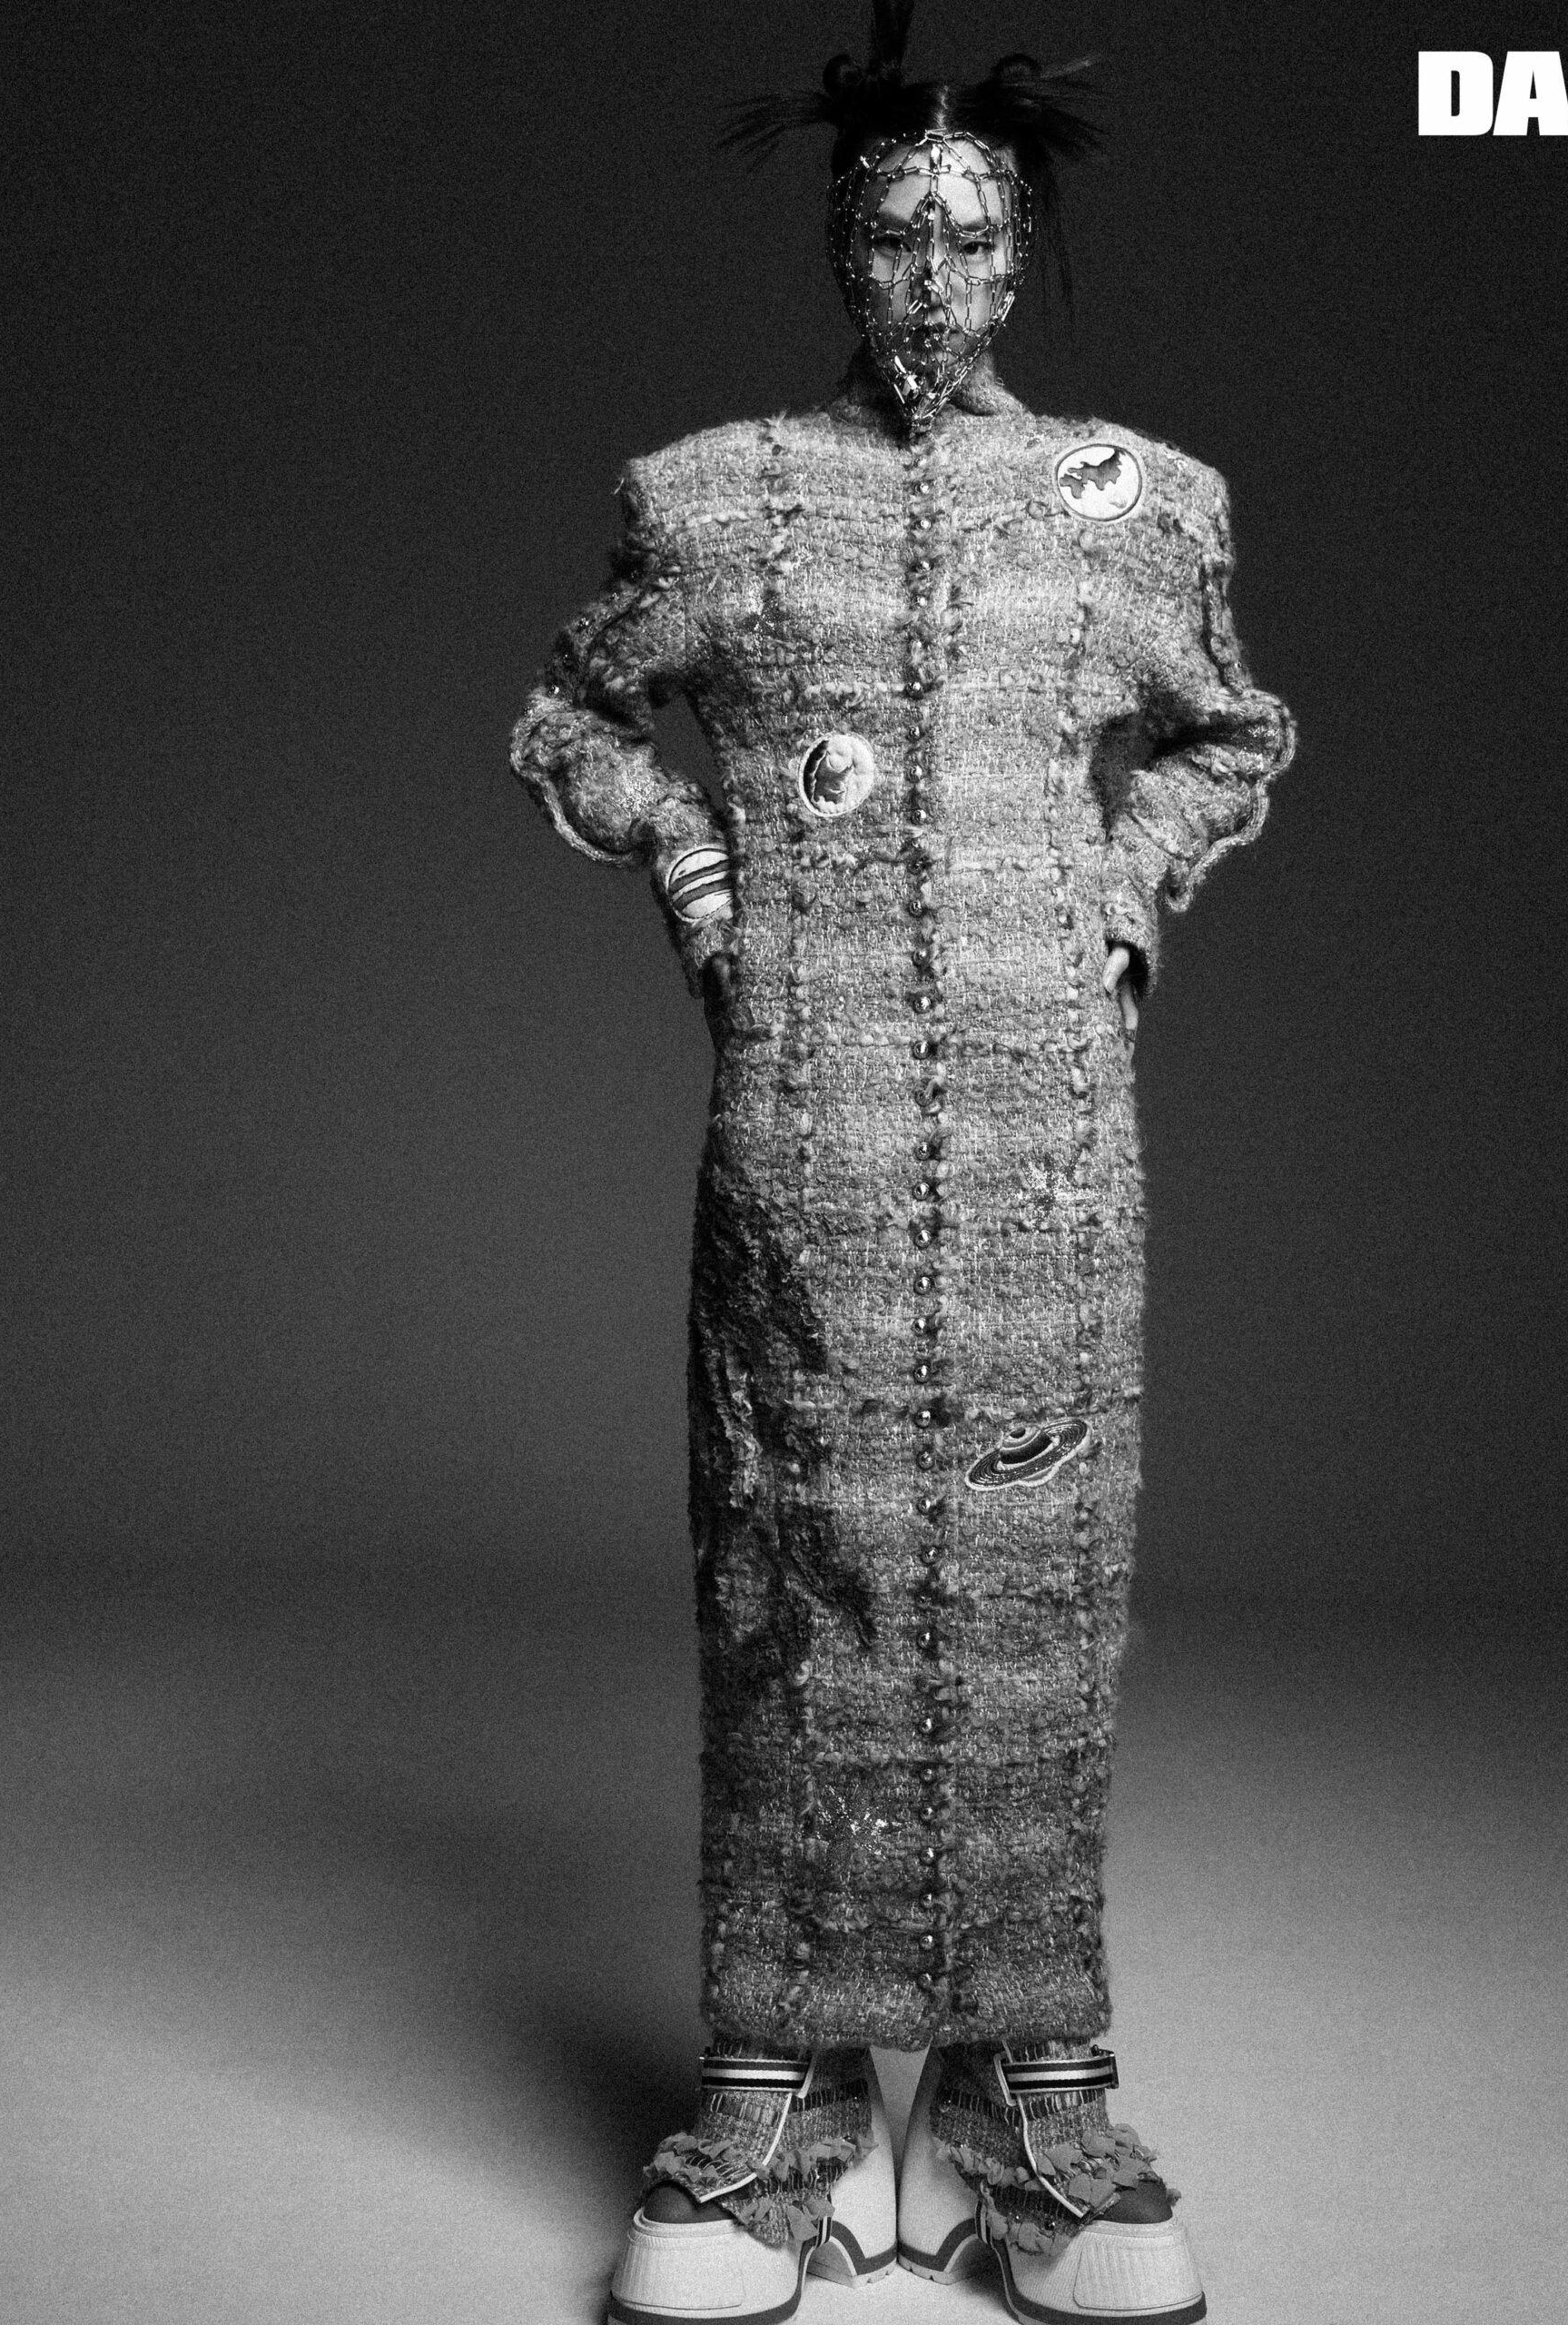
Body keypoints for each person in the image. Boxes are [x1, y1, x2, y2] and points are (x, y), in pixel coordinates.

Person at [509, 8, 1296, 2320]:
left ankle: (1025, 2093)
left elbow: (1230, 728)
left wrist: (1125, 896)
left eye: (972, 233)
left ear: (1022, 250)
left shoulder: (1141, 502)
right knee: (794, 1560)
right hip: (806, 1118)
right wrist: (697, 873)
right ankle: (773, 2093)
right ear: (838, 251)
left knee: (1042, 1576)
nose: (933, 273)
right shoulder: (716, 497)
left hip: (1052, 1129)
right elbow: (573, 706)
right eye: (891, 231)